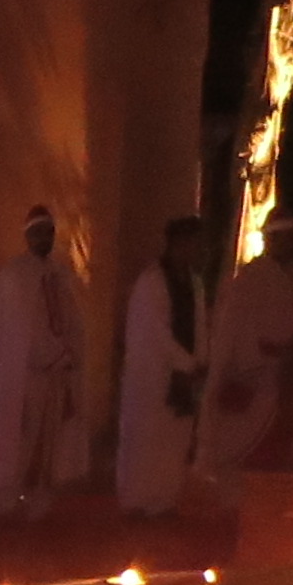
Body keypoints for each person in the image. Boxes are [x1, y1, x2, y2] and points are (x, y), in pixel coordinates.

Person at [0, 203, 91, 518]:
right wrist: (52, 353)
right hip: (22, 375)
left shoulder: (60, 273)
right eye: (38, 233)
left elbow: (73, 320)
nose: (44, 239)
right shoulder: (14, 275)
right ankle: (5, 497)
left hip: (55, 374)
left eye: (48, 232)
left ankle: (39, 496)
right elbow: (21, 327)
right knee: (18, 435)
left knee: (48, 439)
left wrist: (70, 353)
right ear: (27, 236)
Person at [198, 232, 293, 489]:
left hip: (292, 384)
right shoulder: (251, 278)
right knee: (249, 454)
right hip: (259, 381)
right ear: (272, 240)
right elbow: (234, 330)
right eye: (287, 239)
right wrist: (255, 365)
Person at [116, 217, 213, 516]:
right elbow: (155, 333)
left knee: (174, 440)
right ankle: (136, 501)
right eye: (194, 243)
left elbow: (199, 327)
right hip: (154, 378)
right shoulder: (152, 282)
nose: (198, 249)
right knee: (147, 440)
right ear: (179, 244)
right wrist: (186, 363)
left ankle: (164, 500)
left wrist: (200, 362)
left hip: (182, 377)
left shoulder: (194, 284)